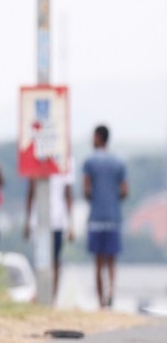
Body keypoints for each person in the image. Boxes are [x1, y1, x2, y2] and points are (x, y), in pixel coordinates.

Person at [82, 125, 128, 309]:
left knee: (98, 262)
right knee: (111, 261)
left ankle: (101, 302)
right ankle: (111, 291)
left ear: (99, 138)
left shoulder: (90, 162)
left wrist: (96, 197)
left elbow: (86, 189)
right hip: (113, 216)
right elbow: (125, 190)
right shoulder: (118, 162)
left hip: (96, 218)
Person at [22, 161, 75, 300]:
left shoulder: (65, 162)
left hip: (57, 221)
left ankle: (53, 297)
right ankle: (42, 294)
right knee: (42, 260)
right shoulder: (36, 161)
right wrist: (27, 221)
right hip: (39, 220)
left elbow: (68, 194)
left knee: (55, 260)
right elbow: (30, 192)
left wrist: (70, 223)